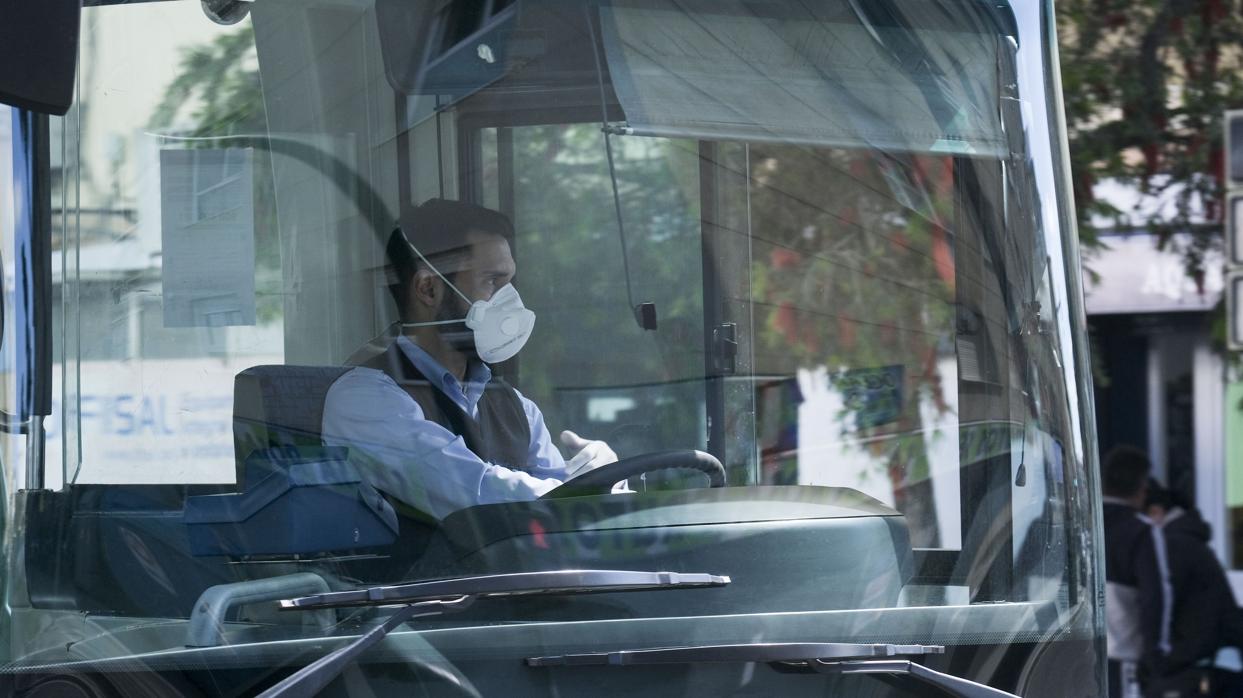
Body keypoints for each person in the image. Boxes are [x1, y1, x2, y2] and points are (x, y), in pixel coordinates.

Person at [321, 198, 620, 519]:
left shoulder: (517, 407)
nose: (512, 301)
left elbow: (570, 506)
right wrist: (584, 492)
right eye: (493, 281)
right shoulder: (363, 399)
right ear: (428, 289)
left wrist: (604, 479)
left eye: (510, 283)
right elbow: (471, 492)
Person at [1101, 445, 1164, 698]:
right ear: (1141, 488)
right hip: (1123, 657)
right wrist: (1156, 656)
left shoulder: (1076, 524)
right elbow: (1156, 599)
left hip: (1071, 652)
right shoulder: (1140, 531)